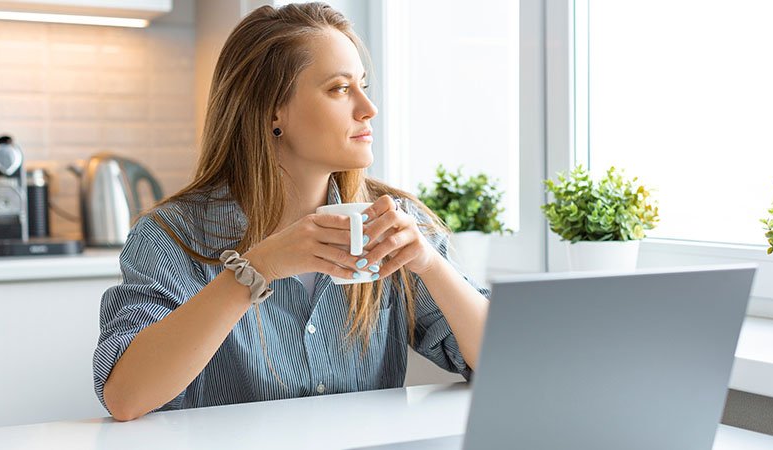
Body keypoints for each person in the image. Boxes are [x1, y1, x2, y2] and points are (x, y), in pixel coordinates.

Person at [94, 2, 491, 422]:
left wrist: (430, 264)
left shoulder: (394, 221)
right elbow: (126, 397)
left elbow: (501, 362)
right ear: (273, 112)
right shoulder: (170, 235)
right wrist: (255, 269)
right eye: (340, 88)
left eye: (364, 86)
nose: (367, 108)